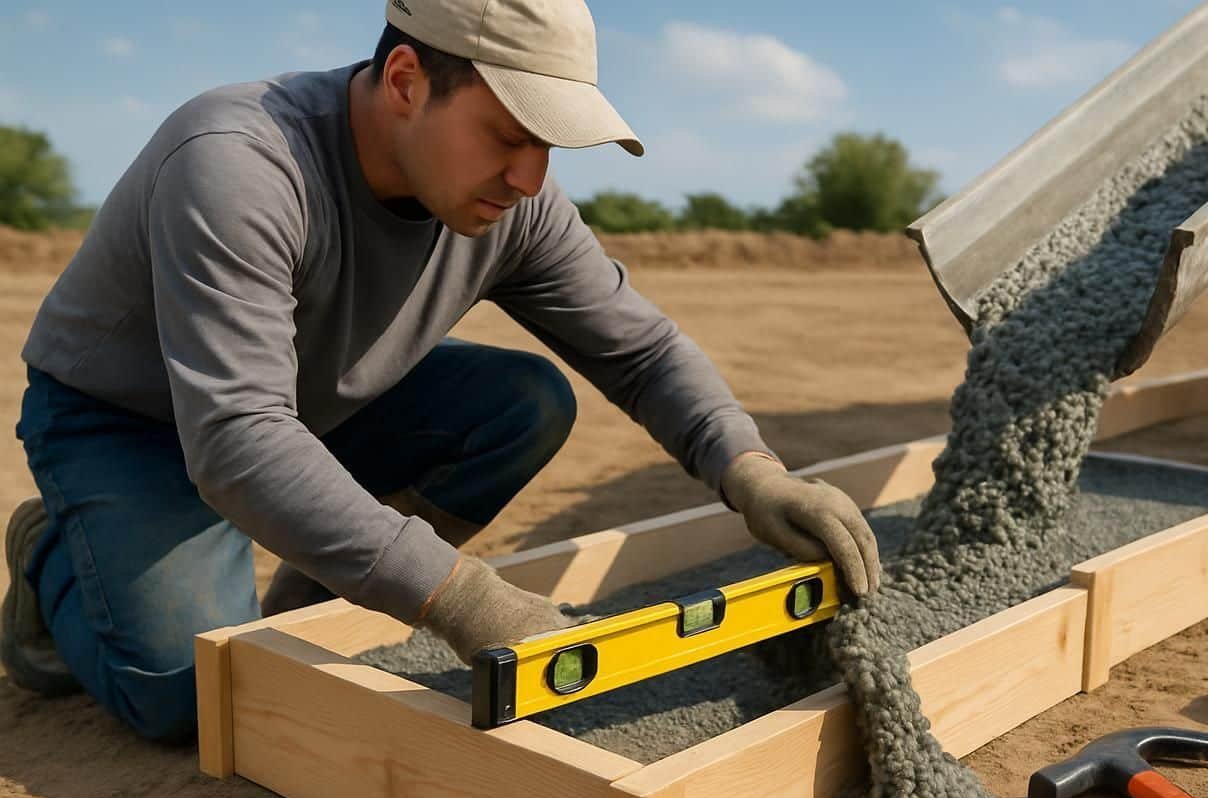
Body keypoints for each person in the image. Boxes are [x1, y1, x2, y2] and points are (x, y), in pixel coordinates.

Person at [1, 0, 880, 742]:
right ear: (405, 81)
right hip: (134, 423)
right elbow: (236, 437)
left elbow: (640, 351)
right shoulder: (239, 162)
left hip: (307, 401)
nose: (530, 177)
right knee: (196, 696)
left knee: (522, 402)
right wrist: (461, 598)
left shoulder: (516, 205)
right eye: (510, 135)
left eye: (550, 146)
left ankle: (310, 600)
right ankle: (53, 555)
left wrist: (750, 470)